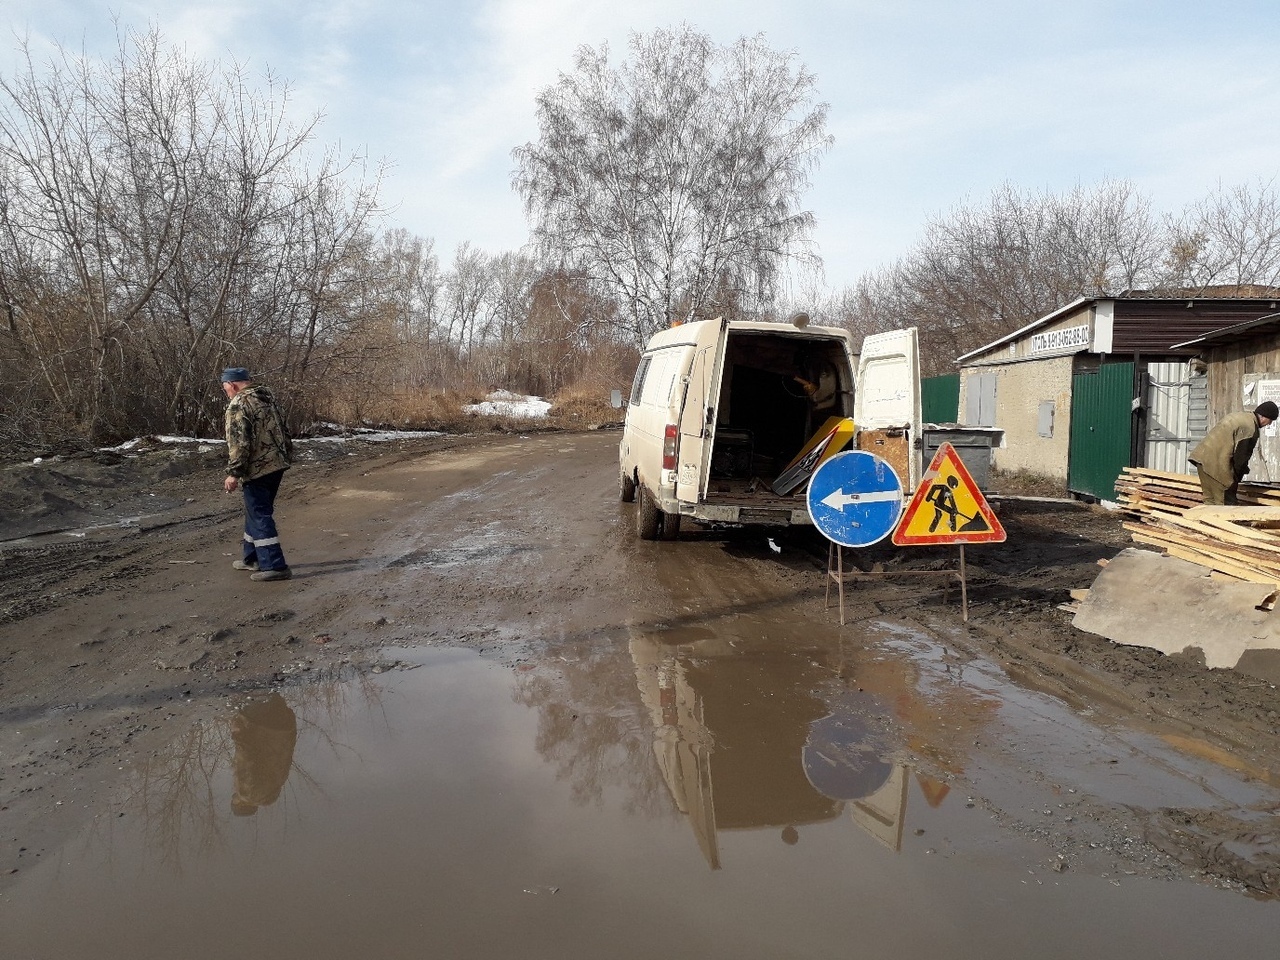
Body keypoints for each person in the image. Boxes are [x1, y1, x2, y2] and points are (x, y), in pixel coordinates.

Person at [221, 366, 294, 581]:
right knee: (256, 510)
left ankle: (275, 565)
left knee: (260, 513)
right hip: (277, 463)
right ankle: (251, 557)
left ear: (232, 385)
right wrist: (286, 455)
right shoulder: (267, 397)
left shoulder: (239, 404)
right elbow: (284, 429)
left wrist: (234, 472)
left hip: (258, 468)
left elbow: (239, 442)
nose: (226, 392)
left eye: (225, 388)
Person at [1188, 401, 1277, 505]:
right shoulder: (1250, 428)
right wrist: (1235, 480)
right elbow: (1240, 458)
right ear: (1264, 417)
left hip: (1202, 459)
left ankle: (1205, 521)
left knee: (1210, 502)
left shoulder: (1240, 416)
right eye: (1270, 420)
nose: (1269, 424)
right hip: (1217, 467)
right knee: (1227, 505)